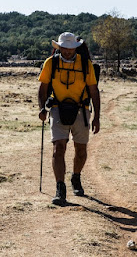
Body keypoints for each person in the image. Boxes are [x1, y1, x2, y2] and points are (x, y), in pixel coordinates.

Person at [38, 32, 100, 206]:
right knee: (59, 147)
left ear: (75, 48)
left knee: (81, 149)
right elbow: (42, 89)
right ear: (60, 47)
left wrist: (97, 117)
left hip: (82, 110)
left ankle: (76, 177)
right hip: (57, 108)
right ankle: (60, 188)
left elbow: (94, 91)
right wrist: (42, 108)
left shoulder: (86, 65)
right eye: (64, 48)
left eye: (70, 48)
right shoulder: (51, 63)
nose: (67, 51)